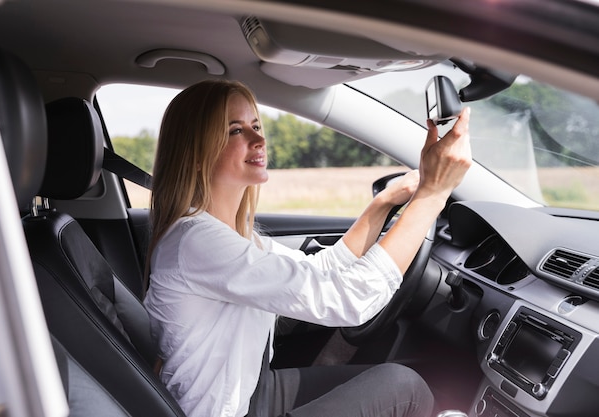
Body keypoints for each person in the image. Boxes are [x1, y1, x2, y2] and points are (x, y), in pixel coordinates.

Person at [143, 79, 471, 417]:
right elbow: (349, 299)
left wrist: (384, 203)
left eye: (256, 125)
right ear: (196, 155)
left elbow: (321, 270)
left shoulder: (234, 236)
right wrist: (432, 194)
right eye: (235, 131)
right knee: (405, 390)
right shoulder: (199, 242)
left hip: (250, 393)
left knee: (406, 383)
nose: (259, 139)